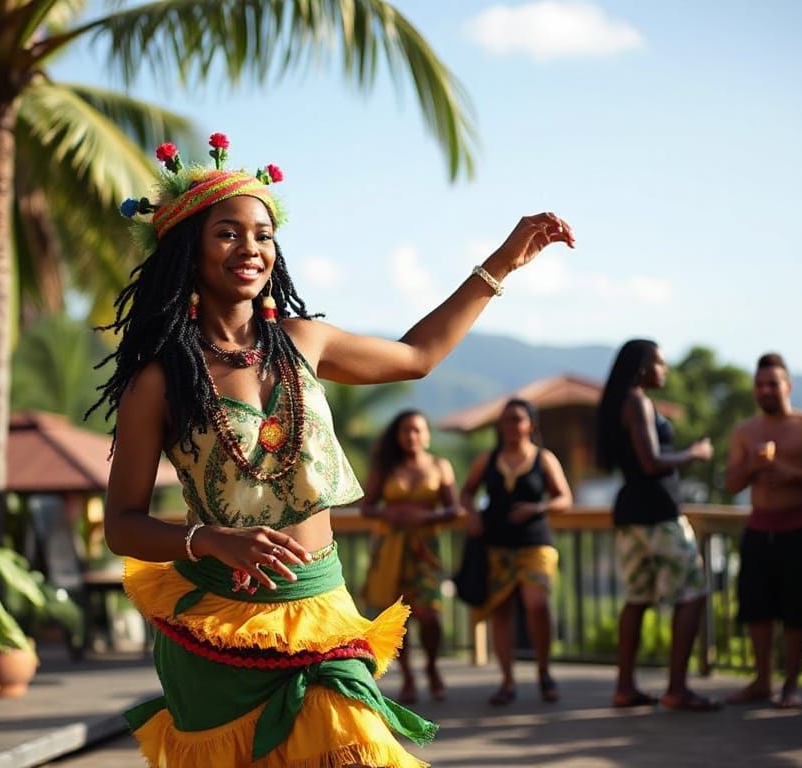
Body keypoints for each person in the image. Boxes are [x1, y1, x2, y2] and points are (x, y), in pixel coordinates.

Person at [92, 132, 574, 766]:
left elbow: (418, 357)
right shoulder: (160, 381)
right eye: (228, 233)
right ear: (188, 248)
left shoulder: (304, 341)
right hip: (219, 626)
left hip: (321, 609)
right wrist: (209, 539)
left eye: (263, 235)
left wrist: (501, 263)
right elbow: (122, 525)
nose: (252, 249)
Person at [595, 339, 718, 711]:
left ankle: (624, 687)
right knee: (692, 593)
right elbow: (650, 462)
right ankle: (677, 688)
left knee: (637, 599)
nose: (664, 371)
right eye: (660, 364)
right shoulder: (637, 401)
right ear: (642, 368)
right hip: (658, 513)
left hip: (631, 514)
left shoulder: (618, 402)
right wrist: (694, 453)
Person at [459, 398, 572, 705]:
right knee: (501, 609)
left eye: (518, 419)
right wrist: (472, 514)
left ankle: (544, 672)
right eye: (506, 419)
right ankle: (507, 680)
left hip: (535, 542)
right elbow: (466, 493)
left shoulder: (543, 458)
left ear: (530, 424)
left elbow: (564, 498)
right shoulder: (487, 459)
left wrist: (538, 507)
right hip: (496, 543)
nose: (511, 425)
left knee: (537, 603)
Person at [724, 353, 802, 709]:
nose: (765, 390)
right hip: (759, 528)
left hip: (799, 529)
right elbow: (731, 483)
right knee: (757, 610)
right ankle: (762, 680)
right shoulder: (746, 432)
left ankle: (790, 684)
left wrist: (791, 473)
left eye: (772, 384)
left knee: (796, 611)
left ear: (787, 386)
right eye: (760, 385)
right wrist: (751, 464)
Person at [360, 410, 459, 706]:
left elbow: (454, 509)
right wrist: (387, 513)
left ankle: (431, 666)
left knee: (430, 614)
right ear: (398, 435)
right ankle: (408, 677)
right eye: (406, 431)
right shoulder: (386, 468)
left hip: (426, 550)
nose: (412, 436)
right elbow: (367, 507)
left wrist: (427, 516)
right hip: (391, 549)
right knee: (397, 615)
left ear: (427, 434)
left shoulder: (441, 466)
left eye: (417, 430)